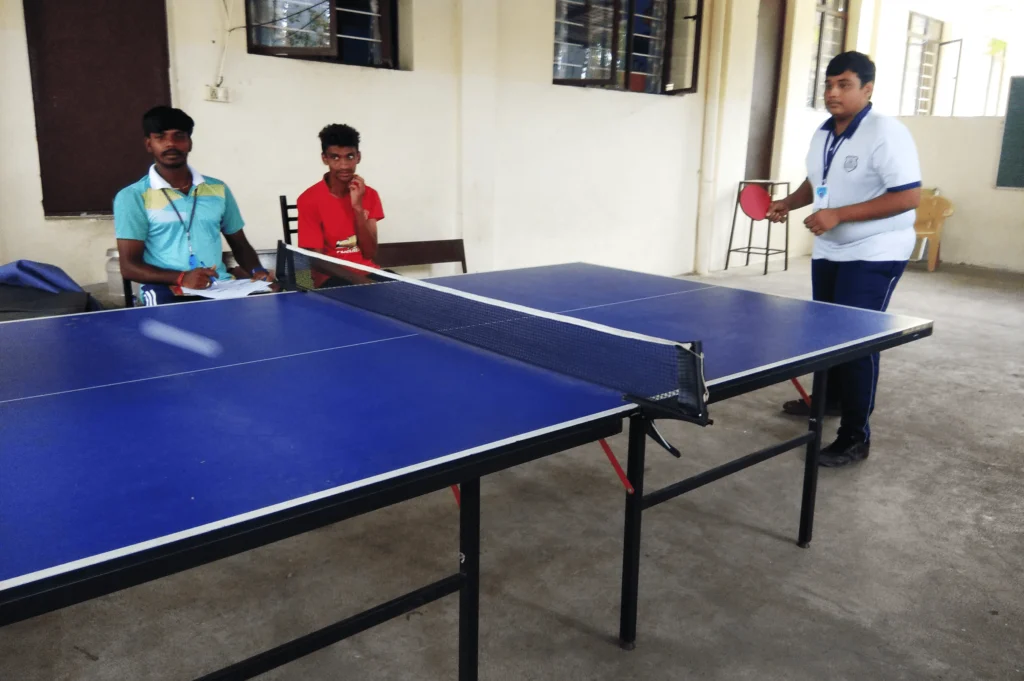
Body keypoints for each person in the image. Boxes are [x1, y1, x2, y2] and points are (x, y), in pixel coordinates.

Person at [766, 51, 921, 468]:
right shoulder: (824, 132)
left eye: (844, 85)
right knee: (828, 334)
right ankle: (830, 399)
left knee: (857, 342)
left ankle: (855, 436)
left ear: (867, 89)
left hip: (876, 250)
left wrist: (839, 215)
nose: (833, 92)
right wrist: (789, 203)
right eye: (829, 84)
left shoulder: (886, 132)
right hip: (830, 248)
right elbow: (818, 180)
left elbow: (908, 196)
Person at [114, 106, 272, 306]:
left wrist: (258, 272)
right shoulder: (133, 196)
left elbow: (240, 244)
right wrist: (182, 277)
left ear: (189, 143)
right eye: (160, 137)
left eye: (179, 136)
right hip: (165, 289)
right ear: (149, 144)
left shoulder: (218, 189)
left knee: (266, 311)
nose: (171, 143)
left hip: (219, 285)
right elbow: (129, 267)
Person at [297, 124, 384, 286]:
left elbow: (370, 253)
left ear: (358, 157)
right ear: (325, 158)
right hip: (330, 278)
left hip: (368, 271)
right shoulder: (308, 199)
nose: (344, 165)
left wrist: (358, 208)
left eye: (349, 157)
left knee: (409, 293)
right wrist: (359, 281)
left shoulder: (370, 194)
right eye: (335, 157)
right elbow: (315, 260)